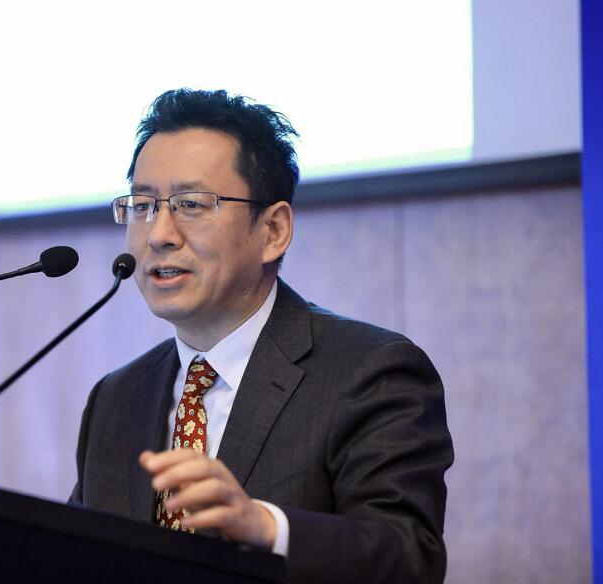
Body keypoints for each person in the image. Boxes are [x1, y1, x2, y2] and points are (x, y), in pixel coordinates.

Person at [70, 88, 454, 583]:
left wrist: (265, 527)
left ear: (273, 231)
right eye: (143, 205)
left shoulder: (370, 373)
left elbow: (408, 558)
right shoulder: (115, 398)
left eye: (191, 204)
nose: (159, 234)